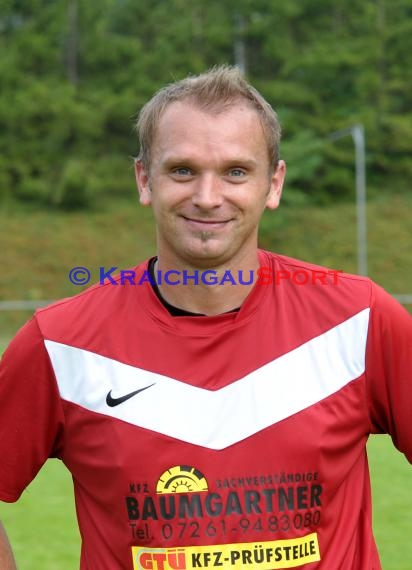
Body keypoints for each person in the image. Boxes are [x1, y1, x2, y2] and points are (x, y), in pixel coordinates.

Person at [0, 65, 411, 570]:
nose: (208, 196)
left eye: (236, 171)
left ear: (273, 184)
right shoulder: (61, 344)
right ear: (144, 179)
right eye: (182, 170)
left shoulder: (359, 320)